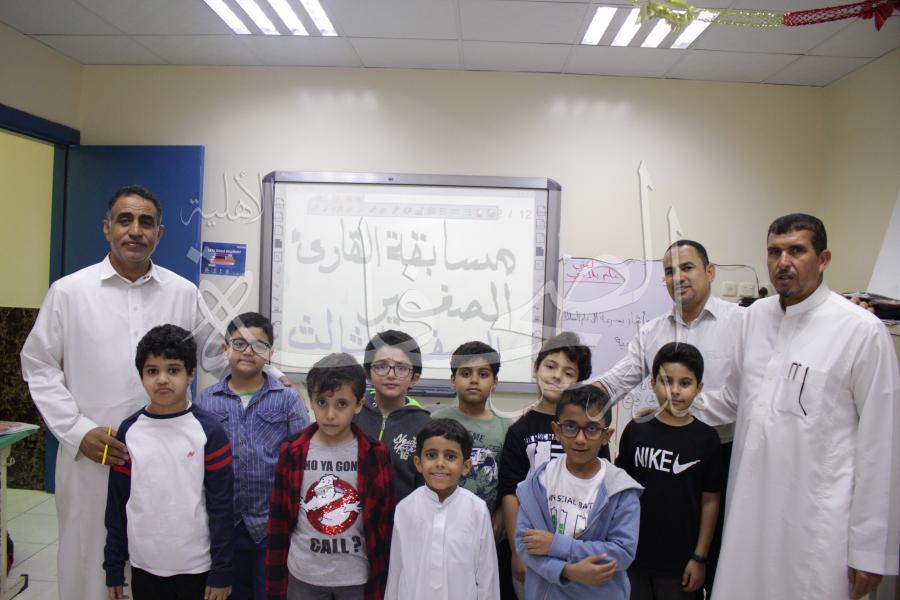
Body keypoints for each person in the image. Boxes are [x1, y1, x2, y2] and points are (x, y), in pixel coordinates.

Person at [691, 213, 899, 600]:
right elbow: (733, 400)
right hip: (749, 513)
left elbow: (880, 445)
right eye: (774, 252)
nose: (783, 262)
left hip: (818, 527)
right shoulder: (754, 318)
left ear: (823, 259)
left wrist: (870, 551)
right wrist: (675, 410)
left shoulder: (861, 331)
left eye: (796, 251)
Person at [595, 239, 741, 595]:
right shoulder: (652, 332)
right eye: (670, 271)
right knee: (657, 551)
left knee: (713, 562)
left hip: (721, 456)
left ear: (710, 272)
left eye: (687, 268)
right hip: (663, 462)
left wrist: (677, 410)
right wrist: (565, 401)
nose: (678, 277)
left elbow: (742, 398)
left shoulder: (742, 323)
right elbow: (617, 380)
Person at [104, 324, 234, 600]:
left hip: (196, 567)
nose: (162, 379)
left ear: (191, 374)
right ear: (142, 376)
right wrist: (114, 565)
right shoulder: (129, 431)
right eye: (153, 371)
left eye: (173, 370)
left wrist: (222, 571)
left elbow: (222, 508)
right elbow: (116, 504)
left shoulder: (209, 432)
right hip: (144, 565)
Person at [196, 312, 309, 599]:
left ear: (270, 353)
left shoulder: (288, 399)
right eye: (239, 343)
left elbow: (301, 461)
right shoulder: (206, 401)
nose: (248, 351)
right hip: (222, 526)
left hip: (272, 524)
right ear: (225, 349)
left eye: (259, 345)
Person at [266, 353, 395, 600]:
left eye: (342, 404)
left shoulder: (375, 455)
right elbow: (278, 522)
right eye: (322, 402)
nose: (330, 414)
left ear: (359, 404)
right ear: (311, 400)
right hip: (304, 576)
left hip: (356, 578)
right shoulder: (292, 451)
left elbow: (383, 525)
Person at [616, 342, 722, 599]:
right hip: (634, 557)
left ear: (699, 388)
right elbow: (621, 492)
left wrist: (700, 557)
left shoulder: (707, 439)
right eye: (666, 381)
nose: (674, 391)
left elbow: (710, 501)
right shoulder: (636, 430)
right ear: (653, 384)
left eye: (685, 383)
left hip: (681, 564)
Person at [516, 385, 642, 600]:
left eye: (592, 428)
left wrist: (556, 545)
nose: (580, 439)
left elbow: (623, 553)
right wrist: (567, 571)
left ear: (606, 435)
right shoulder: (539, 481)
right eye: (570, 427)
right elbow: (524, 543)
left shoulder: (620, 489)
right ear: (557, 430)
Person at [498, 331, 595, 596]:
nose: (556, 376)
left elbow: (600, 485)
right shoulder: (519, 429)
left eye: (568, 372)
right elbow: (510, 492)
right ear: (536, 368)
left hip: (576, 543)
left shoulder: (587, 427)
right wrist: (516, 551)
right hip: (530, 543)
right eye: (550, 366)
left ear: (578, 381)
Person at [386, 418, 500, 600]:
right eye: (431, 455)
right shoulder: (405, 508)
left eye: (450, 457)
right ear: (418, 463)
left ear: (466, 466)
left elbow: (487, 573)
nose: (440, 463)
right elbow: (396, 571)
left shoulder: (477, 509)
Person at [354, 330, 431, 501]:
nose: (391, 374)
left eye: (401, 368)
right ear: (368, 374)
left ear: (414, 378)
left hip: (402, 514)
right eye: (381, 366)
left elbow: (424, 484)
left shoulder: (425, 424)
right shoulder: (353, 412)